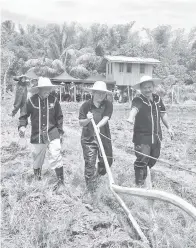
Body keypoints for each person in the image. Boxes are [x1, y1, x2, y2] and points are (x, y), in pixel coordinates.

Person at [18, 77, 65, 190]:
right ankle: (38, 180)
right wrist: (22, 126)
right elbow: (23, 115)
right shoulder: (30, 101)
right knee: (37, 158)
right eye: (45, 89)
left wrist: (60, 132)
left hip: (52, 133)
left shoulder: (54, 100)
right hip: (37, 134)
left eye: (49, 89)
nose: (47, 91)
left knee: (56, 154)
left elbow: (59, 117)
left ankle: (61, 182)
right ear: (39, 89)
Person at [127, 75, 174, 186]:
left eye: (149, 87)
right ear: (141, 89)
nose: (147, 90)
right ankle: (139, 184)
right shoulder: (138, 99)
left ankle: (144, 177)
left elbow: (163, 114)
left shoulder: (157, 99)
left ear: (153, 87)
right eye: (145, 88)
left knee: (153, 158)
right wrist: (130, 117)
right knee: (142, 159)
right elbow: (134, 109)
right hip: (142, 138)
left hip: (156, 136)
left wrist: (169, 127)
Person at [79, 81, 113, 197]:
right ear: (93, 93)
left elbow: (106, 117)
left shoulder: (108, 104)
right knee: (90, 164)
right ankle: (90, 192)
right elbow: (81, 123)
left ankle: (97, 176)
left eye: (103, 94)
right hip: (89, 139)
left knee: (108, 162)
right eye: (98, 93)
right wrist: (88, 119)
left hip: (104, 137)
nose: (101, 96)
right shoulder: (85, 106)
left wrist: (98, 126)